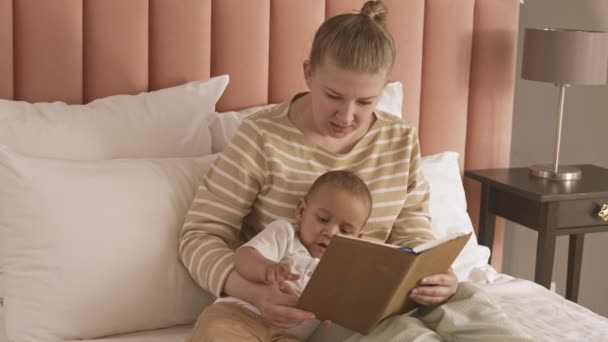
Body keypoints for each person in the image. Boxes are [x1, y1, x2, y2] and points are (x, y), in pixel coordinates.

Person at [181, 1, 532, 341]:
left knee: (464, 302)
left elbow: (412, 231)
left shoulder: (399, 138)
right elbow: (199, 236)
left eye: (365, 102)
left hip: (370, 305)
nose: (346, 117)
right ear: (308, 73)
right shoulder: (261, 137)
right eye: (334, 96)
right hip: (285, 305)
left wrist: (438, 275)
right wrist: (254, 294)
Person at [190, 170, 372, 341]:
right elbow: (243, 257)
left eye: (345, 230)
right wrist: (267, 268)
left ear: (358, 238)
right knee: (218, 332)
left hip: (288, 336)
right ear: (301, 211)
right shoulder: (284, 234)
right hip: (241, 317)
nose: (331, 232)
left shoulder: (342, 271)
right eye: (323, 219)